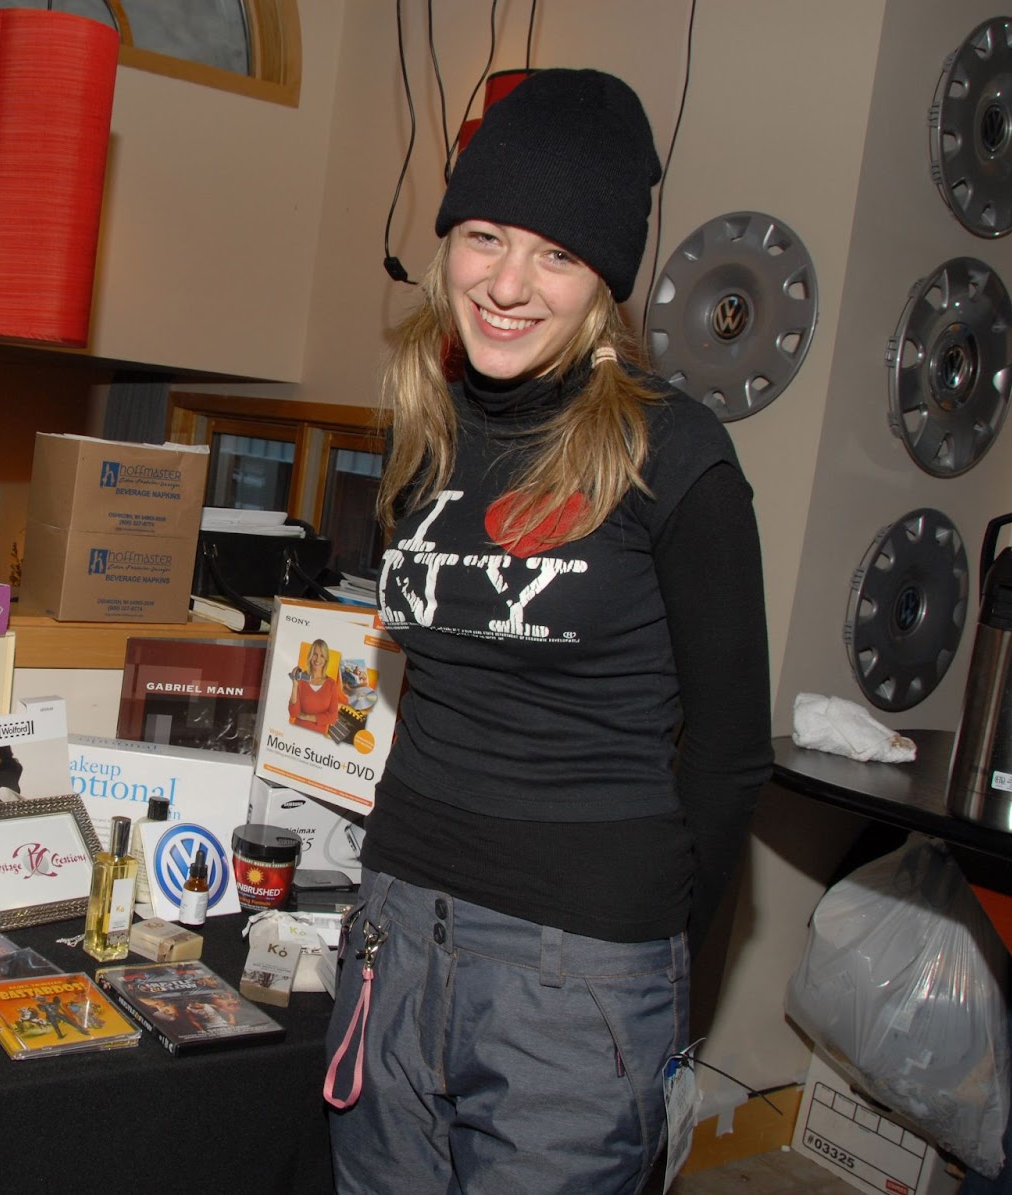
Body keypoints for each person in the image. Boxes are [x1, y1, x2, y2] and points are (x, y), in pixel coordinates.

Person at [323, 69, 772, 1195]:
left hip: (576, 970)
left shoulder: (676, 457)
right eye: (484, 236)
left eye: (557, 255)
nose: (508, 284)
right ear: (445, 246)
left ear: (603, 284)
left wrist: (649, 945)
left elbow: (727, 758)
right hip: (394, 929)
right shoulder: (425, 431)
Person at [286, 638, 342, 734]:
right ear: (310, 656)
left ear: (326, 659)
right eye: (315, 654)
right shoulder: (301, 679)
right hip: (297, 732)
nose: (317, 659)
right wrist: (295, 685)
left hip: (318, 738)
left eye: (322, 656)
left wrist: (307, 717)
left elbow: (333, 718)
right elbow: (293, 713)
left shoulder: (331, 684)